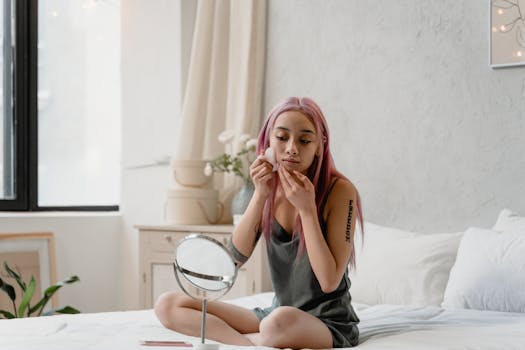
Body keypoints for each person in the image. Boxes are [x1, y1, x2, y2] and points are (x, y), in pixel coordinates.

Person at [155, 97, 364, 348]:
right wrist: (260, 194)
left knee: (277, 323)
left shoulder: (340, 191)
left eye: (305, 140)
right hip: (277, 314)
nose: (292, 148)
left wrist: (307, 211)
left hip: (327, 323)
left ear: (320, 146)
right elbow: (231, 262)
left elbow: (329, 282)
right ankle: (247, 344)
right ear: (267, 142)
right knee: (167, 304)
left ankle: (249, 340)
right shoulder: (267, 188)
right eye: (282, 137)